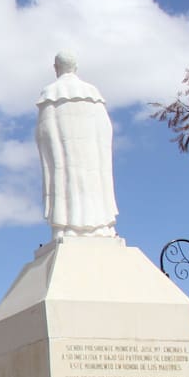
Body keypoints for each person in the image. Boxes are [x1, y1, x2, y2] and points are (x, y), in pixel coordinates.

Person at [34, 51, 118, 240]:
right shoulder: (92, 93)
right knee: (92, 182)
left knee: (65, 181)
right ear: (76, 67)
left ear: (56, 68)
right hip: (93, 155)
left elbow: (44, 130)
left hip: (64, 155)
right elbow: (105, 128)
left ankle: (68, 228)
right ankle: (100, 228)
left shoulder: (51, 93)